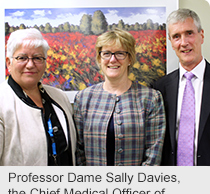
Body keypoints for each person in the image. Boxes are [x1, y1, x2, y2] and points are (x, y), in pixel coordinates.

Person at [74, 28, 165, 166]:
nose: (112, 59)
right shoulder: (84, 98)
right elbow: (78, 152)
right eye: (106, 53)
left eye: (120, 53)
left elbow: (153, 153)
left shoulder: (151, 99)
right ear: (99, 59)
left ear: (130, 59)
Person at [0, 28, 76, 165]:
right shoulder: (2, 101)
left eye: (37, 58)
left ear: (45, 62)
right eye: (22, 57)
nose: (30, 65)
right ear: (9, 63)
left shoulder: (59, 97)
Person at [152, 8, 210, 166]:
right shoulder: (159, 88)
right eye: (176, 36)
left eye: (189, 33)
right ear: (171, 42)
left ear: (201, 35)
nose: (184, 42)